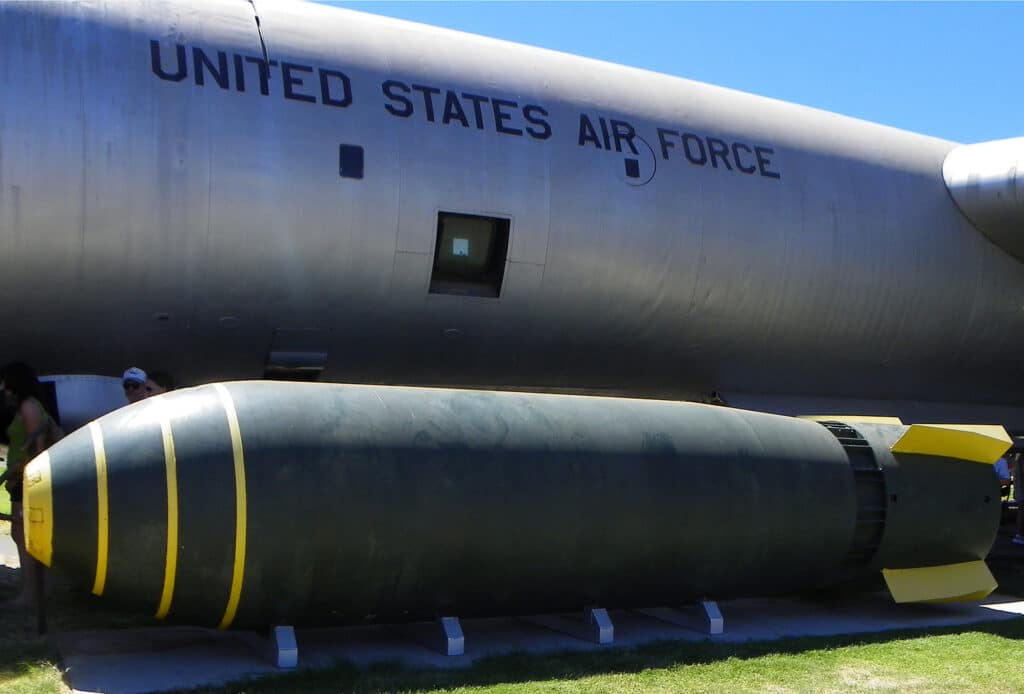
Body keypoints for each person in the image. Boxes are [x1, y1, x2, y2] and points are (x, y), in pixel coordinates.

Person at [1, 362, 58, 607]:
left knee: (25, 535)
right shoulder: (27, 406)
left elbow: (37, 447)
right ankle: (35, 590)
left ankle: (31, 594)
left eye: (5, 382)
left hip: (27, 481)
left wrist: (22, 473)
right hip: (20, 480)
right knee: (20, 533)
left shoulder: (28, 407)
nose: (2, 387)